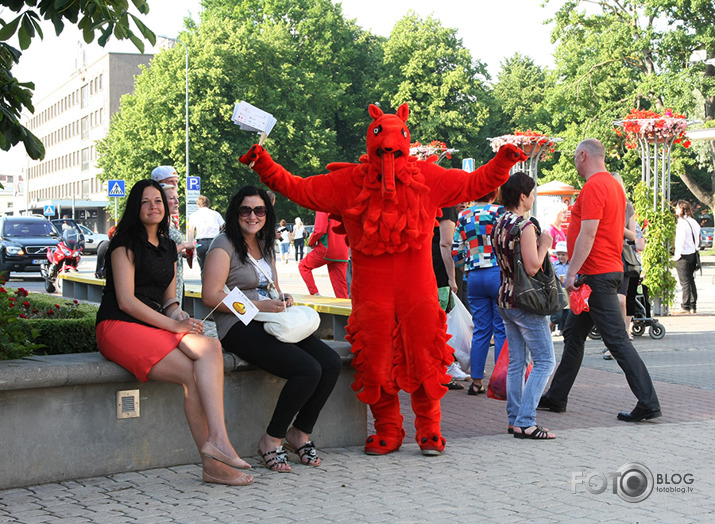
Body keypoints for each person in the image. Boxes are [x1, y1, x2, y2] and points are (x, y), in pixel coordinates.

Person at [95, 179, 252, 486]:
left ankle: (217, 447)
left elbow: (168, 300)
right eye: (145, 202)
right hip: (119, 326)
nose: (153, 207)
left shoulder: (169, 247)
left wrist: (181, 316)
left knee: (209, 346)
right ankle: (216, 459)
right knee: (191, 374)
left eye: (158, 201)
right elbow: (126, 302)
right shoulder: (123, 245)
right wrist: (175, 326)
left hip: (156, 324)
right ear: (135, 208)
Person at [201, 186, 342, 472]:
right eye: (246, 210)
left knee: (330, 362)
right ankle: (271, 438)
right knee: (307, 369)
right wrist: (255, 309)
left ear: (267, 213)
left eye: (259, 210)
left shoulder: (265, 243)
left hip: (271, 321)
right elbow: (211, 295)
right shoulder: (223, 244)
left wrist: (283, 298)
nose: (253, 216)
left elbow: (272, 287)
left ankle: (299, 432)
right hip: (238, 326)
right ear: (235, 212)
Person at [539, 138, 661, 422]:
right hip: (602, 272)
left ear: (583, 155)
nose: (573, 161)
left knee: (617, 340)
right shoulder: (615, 187)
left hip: (596, 275)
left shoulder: (594, 186)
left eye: (573, 156)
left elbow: (588, 233)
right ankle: (556, 397)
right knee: (573, 334)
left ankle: (648, 401)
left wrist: (571, 272)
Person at [491, 172, 556, 439]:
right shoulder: (524, 226)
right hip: (525, 300)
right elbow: (532, 267)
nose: (533, 198)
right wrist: (545, 245)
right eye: (532, 193)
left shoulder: (499, 223)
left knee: (517, 362)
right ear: (522, 196)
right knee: (545, 361)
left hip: (505, 296)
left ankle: (515, 418)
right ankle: (527, 420)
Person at [452, 191, 506, 396]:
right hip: (497, 273)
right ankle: (500, 379)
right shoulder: (499, 212)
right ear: (495, 194)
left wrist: (465, 264)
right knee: (501, 329)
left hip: (474, 276)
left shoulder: (463, 215)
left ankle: (476, 382)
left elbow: (456, 252)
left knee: (481, 330)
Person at [432, 205, 468, 388]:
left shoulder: (440, 205)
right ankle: (447, 365)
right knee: (445, 318)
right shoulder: (448, 208)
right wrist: (452, 278)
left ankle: (447, 364)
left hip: (435, 268)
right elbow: (446, 243)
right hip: (442, 271)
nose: (466, 203)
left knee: (441, 318)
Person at [300, 211, 350, 298]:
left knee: (303, 266)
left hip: (327, 247)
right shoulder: (344, 205)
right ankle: (346, 310)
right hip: (343, 249)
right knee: (341, 290)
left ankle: (315, 294)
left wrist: (312, 241)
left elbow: (320, 229)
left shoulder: (322, 205)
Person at [161, 184, 195, 306]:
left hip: (177, 275)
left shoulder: (171, 222)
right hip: (165, 276)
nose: (177, 202)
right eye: (172, 198)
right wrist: (185, 245)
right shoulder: (158, 225)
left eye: (177, 198)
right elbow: (161, 251)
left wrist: (187, 253)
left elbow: (175, 251)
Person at [673, 200, 701, 314]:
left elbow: (680, 241)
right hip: (693, 253)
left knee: (684, 281)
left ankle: (685, 306)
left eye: (677, 208)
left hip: (684, 254)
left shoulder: (682, 223)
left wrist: (676, 256)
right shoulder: (693, 222)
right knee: (691, 280)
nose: (675, 209)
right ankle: (693, 305)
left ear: (682, 209)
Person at [188, 195, 225, 271]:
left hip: (200, 243)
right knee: (215, 269)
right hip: (215, 243)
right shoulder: (216, 214)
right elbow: (224, 227)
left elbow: (191, 231)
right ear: (208, 204)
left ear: (198, 204)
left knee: (203, 269)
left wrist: (190, 245)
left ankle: (204, 282)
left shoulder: (194, 215)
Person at [550, 240, 569, 336]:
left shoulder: (571, 265)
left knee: (568, 313)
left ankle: (564, 330)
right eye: (559, 254)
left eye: (563, 254)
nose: (560, 257)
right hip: (558, 291)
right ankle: (550, 329)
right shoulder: (554, 265)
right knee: (557, 314)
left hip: (569, 292)